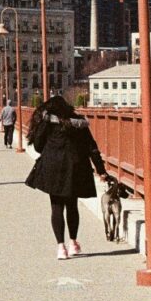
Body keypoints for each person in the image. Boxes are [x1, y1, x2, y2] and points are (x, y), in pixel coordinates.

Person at [25, 95, 107, 260]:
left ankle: (61, 248)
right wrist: (101, 169)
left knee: (56, 206)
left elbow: (38, 146)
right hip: (76, 168)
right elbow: (92, 147)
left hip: (53, 168)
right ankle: (73, 243)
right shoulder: (79, 122)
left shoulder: (48, 123)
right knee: (72, 205)